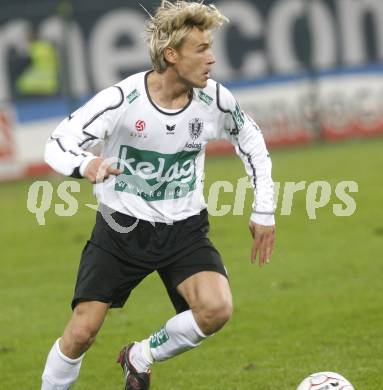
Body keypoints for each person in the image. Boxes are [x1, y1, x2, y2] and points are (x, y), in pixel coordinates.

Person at [41, 1, 276, 389]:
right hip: (121, 229)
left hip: (184, 229)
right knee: (82, 332)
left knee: (216, 309)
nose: (212, 60)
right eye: (201, 50)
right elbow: (57, 143)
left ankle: (142, 354)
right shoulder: (121, 100)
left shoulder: (214, 100)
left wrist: (264, 209)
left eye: (210, 48)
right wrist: (85, 165)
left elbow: (251, 139)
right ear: (171, 54)